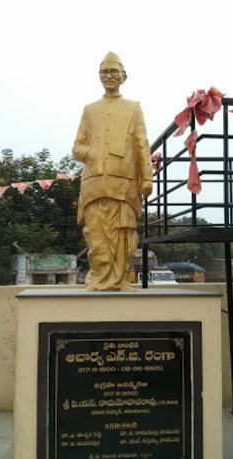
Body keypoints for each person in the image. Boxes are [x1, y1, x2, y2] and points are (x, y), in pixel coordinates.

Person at [72, 52, 153, 291]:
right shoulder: (89, 110)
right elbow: (76, 147)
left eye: (114, 71)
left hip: (125, 184)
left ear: (123, 76)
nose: (109, 76)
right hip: (94, 183)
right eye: (104, 72)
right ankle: (98, 278)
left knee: (124, 234)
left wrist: (147, 177)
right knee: (95, 233)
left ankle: (120, 280)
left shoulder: (133, 108)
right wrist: (91, 153)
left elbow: (142, 144)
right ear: (99, 77)